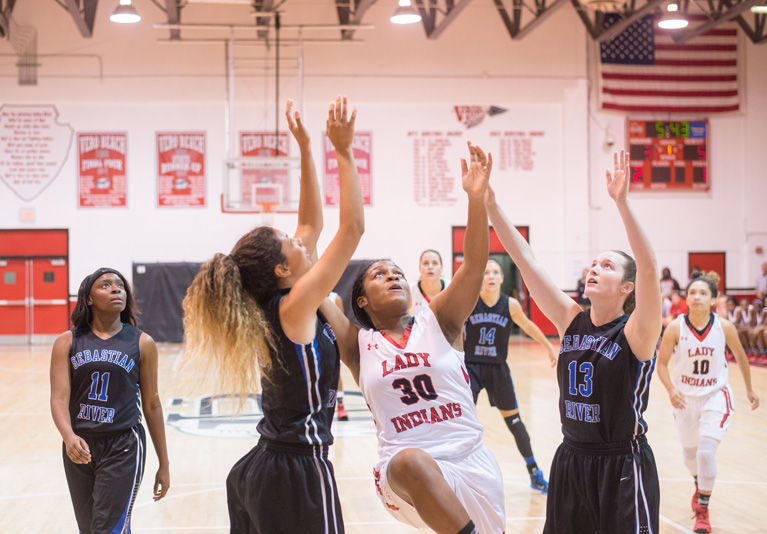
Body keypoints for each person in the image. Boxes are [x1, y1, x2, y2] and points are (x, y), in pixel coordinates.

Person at [182, 97, 363, 533]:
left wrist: (305, 148)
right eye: (290, 243)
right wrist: (343, 152)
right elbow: (352, 229)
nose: (301, 241)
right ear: (283, 270)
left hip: (259, 469)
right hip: (296, 472)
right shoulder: (295, 304)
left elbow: (311, 225)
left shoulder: (278, 301)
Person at [321, 143, 504, 534]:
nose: (394, 275)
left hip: (471, 462)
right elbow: (316, 285)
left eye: (397, 271)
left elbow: (473, 266)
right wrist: (341, 154)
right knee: (410, 461)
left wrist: (475, 200)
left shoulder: (438, 320)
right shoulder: (357, 345)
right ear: (362, 300)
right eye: (380, 274)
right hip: (400, 475)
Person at [485, 150, 662, 534]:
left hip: (621, 465)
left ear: (627, 287)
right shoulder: (571, 321)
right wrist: (492, 206)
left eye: (608, 266)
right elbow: (526, 259)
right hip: (571, 459)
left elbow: (649, 269)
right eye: (594, 264)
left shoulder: (636, 332)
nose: (594, 269)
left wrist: (622, 204)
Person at [50, 267, 170, 533]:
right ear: (89, 299)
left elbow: (152, 404)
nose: (116, 289)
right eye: (105, 285)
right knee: (90, 528)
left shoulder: (142, 343)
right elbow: (58, 398)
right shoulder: (67, 342)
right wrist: (68, 436)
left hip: (123, 445)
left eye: (120, 285)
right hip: (79, 445)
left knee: (108, 529)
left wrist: (164, 462)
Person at [656, 274, 760, 533]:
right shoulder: (674, 328)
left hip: (715, 395)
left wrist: (749, 390)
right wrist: (670, 389)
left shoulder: (724, 327)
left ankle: (702, 510)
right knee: (690, 454)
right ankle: (698, 483)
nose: (697, 297)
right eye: (692, 293)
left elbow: (741, 357)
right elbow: (661, 364)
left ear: (713, 300)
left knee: (705, 452)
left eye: (703, 293)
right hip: (684, 399)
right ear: (686, 298)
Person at [463, 258, 557, 494]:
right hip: (471, 368)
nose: (491, 276)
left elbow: (527, 326)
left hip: (498, 369)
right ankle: (458, 473)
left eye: (496, 272)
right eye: (486, 272)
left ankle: (534, 472)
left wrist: (548, 345)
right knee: (462, 422)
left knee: (515, 423)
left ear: (502, 278)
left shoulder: (510, 304)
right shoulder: (469, 300)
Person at [330, 291, 349, 421]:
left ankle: (340, 405)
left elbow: (340, 322)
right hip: (311, 338)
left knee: (335, 375)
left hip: (330, 340)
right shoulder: (307, 294)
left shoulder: (334, 298)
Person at [409, 249, 447, 315]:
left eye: (435, 263)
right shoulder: (410, 291)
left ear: (441, 268)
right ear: (419, 268)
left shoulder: (451, 288)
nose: (430, 267)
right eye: (425, 263)